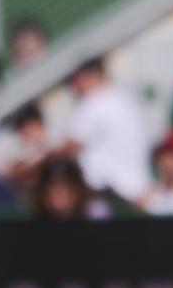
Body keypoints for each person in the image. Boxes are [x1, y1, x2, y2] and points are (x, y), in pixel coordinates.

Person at [62, 58, 151, 203]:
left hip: (114, 195)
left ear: (95, 75)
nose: (74, 86)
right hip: (139, 190)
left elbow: (67, 150)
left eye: (77, 79)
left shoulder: (93, 103)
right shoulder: (123, 98)